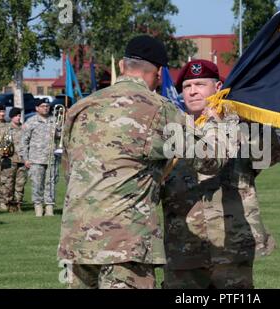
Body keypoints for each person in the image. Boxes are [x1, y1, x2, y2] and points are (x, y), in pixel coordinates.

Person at [57, 36, 227, 289]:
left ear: (124, 66)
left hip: (77, 241)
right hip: (125, 244)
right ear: (159, 73)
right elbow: (210, 161)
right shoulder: (158, 109)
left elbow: (69, 172)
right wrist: (214, 124)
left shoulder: (82, 107)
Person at [161, 59, 280, 289]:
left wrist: (248, 118)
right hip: (184, 249)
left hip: (232, 248)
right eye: (187, 86)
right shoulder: (173, 131)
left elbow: (272, 154)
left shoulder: (240, 126)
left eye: (200, 84)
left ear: (218, 88)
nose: (193, 91)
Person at [21, 99, 57, 217]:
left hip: (51, 157)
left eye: (47, 106)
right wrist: (25, 158)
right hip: (35, 159)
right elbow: (24, 142)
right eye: (43, 106)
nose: (46, 108)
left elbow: (61, 136)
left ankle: (49, 207)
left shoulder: (54, 120)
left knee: (51, 183)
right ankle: (38, 207)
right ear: (37, 108)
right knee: (37, 184)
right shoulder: (31, 122)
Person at [2, 108, 27, 212]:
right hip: (10, 159)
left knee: (20, 183)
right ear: (12, 117)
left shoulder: (24, 128)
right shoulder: (7, 129)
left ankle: (18, 203)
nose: (18, 117)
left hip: (22, 160)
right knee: (9, 183)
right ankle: (9, 204)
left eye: (19, 115)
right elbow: (2, 145)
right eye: (16, 116)